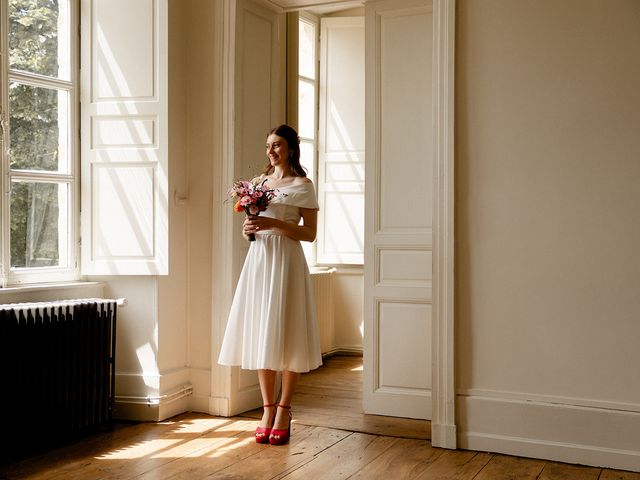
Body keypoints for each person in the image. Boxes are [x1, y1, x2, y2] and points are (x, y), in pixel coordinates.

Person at [218, 124, 322, 445]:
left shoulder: (303, 185)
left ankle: (284, 409)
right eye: (268, 146)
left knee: (288, 332)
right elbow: (249, 231)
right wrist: (249, 228)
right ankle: (266, 409)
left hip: (287, 260)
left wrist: (276, 223)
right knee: (261, 330)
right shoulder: (260, 184)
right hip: (260, 260)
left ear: (290, 147)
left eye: (276, 145)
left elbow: (309, 233)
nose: (270, 151)